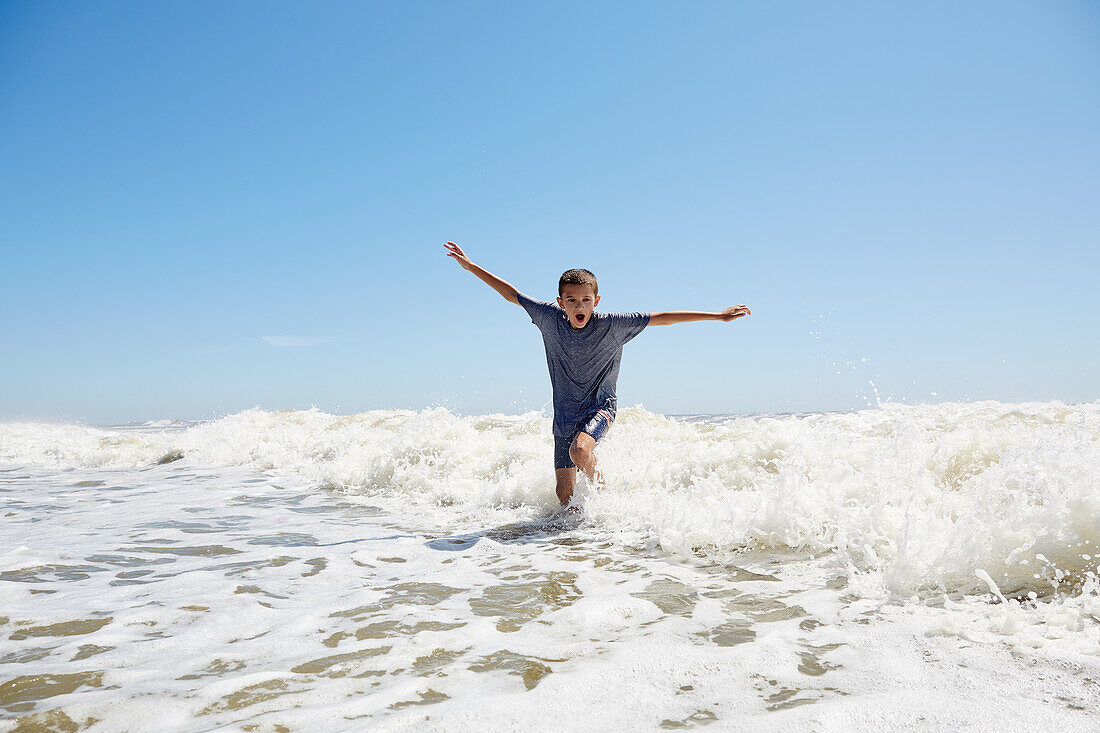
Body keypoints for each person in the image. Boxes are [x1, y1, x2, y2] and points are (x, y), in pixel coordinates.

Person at [444, 241, 751, 506]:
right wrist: (470, 266)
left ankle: (605, 494)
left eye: (586, 300)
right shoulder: (548, 318)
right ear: (561, 302)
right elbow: (511, 294)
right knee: (564, 496)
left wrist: (718, 316)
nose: (580, 306)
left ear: (596, 301)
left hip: (600, 408)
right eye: (573, 301)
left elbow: (664, 318)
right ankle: (576, 546)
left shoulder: (613, 325)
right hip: (564, 415)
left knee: (580, 451)